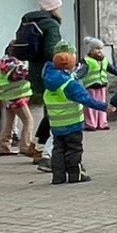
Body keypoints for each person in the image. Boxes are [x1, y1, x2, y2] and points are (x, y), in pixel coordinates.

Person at [13, 0, 66, 166]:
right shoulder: (51, 25)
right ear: (54, 7)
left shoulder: (28, 21)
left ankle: (38, 146)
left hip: (35, 72)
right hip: (49, 73)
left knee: (49, 111)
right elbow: (51, 51)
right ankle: (41, 149)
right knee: (54, 112)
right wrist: (65, 59)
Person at [40, 49, 101, 185]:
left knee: (58, 150)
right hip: (73, 123)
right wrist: (104, 107)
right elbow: (85, 99)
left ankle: (58, 177)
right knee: (74, 150)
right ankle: (75, 175)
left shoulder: (49, 81)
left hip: (56, 124)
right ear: (69, 66)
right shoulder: (69, 84)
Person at [0, 55, 34, 158]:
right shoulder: (17, 65)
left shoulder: (3, 65)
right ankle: (25, 146)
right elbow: (24, 76)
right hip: (18, 97)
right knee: (28, 121)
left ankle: (4, 146)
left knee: (9, 122)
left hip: (7, 98)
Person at [78, 37, 114, 130]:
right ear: (91, 50)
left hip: (101, 85)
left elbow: (112, 69)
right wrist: (74, 77)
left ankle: (102, 122)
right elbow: (81, 71)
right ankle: (91, 123)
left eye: (101, 49)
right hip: (90, 86)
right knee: (90, 105)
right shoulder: (86, 60)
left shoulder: (104, 60)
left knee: (102, 104)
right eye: (97, 49)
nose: (100, 51)